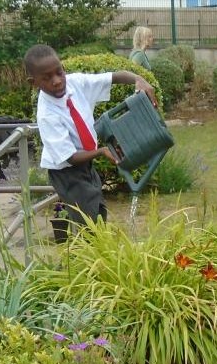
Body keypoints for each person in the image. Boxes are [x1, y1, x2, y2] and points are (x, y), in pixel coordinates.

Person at [25, 44, 157, 229]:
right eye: (47, 78)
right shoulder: (47, 114)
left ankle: (94, 252)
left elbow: (113, 77)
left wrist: (138, 78)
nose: (56, 81)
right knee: (88, 222)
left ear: (63, 68)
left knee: (98, 211)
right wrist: (102, 151)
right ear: (34, 83)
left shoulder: (75, 83)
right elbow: (70, 157)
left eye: (59, 72)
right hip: (67, 173)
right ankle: (87, 254)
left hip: (85, 164)